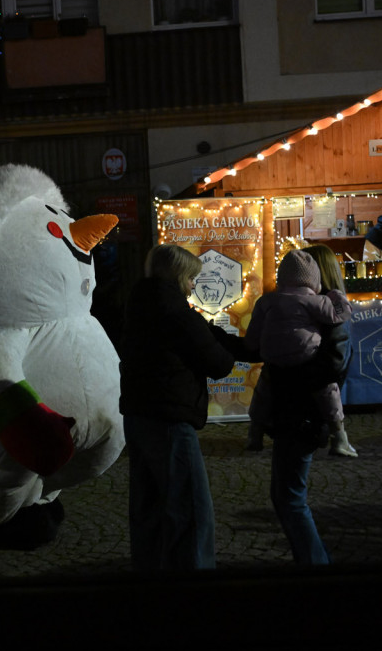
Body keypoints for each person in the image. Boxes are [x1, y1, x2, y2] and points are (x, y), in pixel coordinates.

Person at [118, 244, 242, 570]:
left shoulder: (138, 305)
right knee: (191, 509)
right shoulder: (174, 311)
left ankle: (150, 570)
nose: (192, 286)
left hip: (137, 415)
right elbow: (218, 363)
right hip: (169, 418)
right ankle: (194, 578)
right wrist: (228, 347)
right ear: (179, 277)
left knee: (149, 506)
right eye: (191, 279)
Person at [243, 250, 353, 565]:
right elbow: (331, 371)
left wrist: (266, 352)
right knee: (288, 495)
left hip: (296, 413)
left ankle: (314, 564)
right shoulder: (320, 307)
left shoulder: (270, 301)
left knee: (288, 497)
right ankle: (340, 435)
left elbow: (252, 341)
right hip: (301, 409)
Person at [246, 245, 358, 457]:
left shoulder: (267, 300)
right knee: (329, 393)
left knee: (263, 391)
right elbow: (340, 314)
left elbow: (254, 331)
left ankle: (255, 432)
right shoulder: (316, 301)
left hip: (273, 357)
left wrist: (252, 346)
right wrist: (337, 295)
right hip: (305, 356)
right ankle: (340, 436)